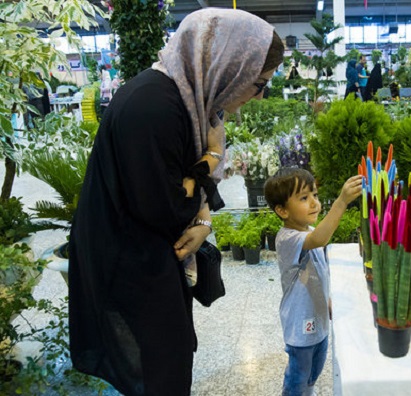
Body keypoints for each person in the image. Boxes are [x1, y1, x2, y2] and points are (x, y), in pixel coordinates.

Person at [68, 8, 284, 396]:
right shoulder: (155, 106)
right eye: (259, 83)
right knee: (162, 374)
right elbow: (165, 205)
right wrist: (213, 159)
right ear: (230, 66)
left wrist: (202, 217)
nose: (260, 96)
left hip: (149, 259)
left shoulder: (184, 100)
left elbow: (185, 192)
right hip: (132, 266)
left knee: (172, 362)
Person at [264, 168, 362, 396]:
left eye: (315, 195)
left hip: (318, 318)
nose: (314, 203)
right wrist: (342, 201)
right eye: (304, 198)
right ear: (282, 210)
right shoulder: (287, 238)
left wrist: (326, 299)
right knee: (298, 374)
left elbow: (319, 270)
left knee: (315, 369)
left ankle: (308, 390)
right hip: (300, 323)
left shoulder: (307, 230)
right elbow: (320, 238)